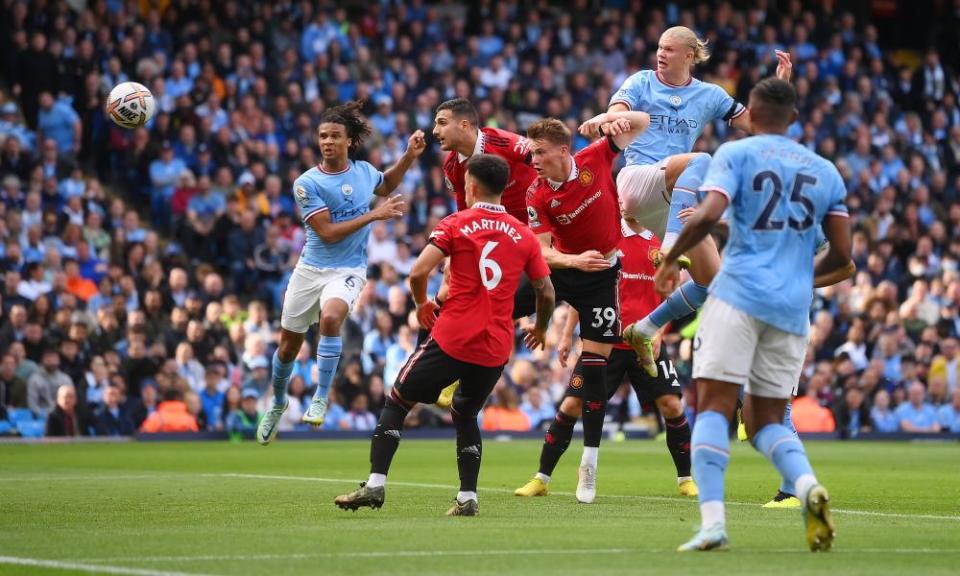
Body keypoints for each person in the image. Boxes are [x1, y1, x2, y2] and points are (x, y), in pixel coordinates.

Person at [654, 78, 850, 552]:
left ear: (751, 116)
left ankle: (713, 524)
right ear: (795, 119)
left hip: (738, 296)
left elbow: (705, 214)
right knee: (766, 422)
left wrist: (668, 259)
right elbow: (844, 256)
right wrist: (799, 278)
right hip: (790, 309)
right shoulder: (825, 172)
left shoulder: (735, 156)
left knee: (715, 408)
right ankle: (807, 489)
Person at [333, 154, 555, 517]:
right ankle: (468, 497)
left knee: (398, 401)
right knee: (465, 413)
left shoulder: (456, 223)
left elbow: (419, 271)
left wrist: (422, 303)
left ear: (471, 185)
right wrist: (542, 327)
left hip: (453, 337)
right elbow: (545, 291)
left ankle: (374, 486)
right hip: (495, 347)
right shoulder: (524, 236)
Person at [598, 26, 791, 377]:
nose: (661, 54)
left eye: (670, 49)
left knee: (710, 283)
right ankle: (671, 248)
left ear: (689, 55)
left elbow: (759, 126)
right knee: (701, 160)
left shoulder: (708, 95)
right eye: (659, 47)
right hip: (637, 180)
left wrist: (778, 91)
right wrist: (615, 117)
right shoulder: (642, 81)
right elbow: (617, 107)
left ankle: (644, 329)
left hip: (672, 196)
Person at [256, 102, 425, 444]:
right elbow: (328, 232)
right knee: (288, 348)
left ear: (349, 141)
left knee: (331, 319)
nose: (328, 141)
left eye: (335, 135)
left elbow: (385, 183)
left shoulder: (363, 171)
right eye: (323, 136)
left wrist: (408, 156)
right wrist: (373, 216)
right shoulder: (307, 183)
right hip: (310, 269)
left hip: (348, 269)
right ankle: (277, 402)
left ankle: (320, 396)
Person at [514, 110, 650, 504]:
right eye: (531, 153)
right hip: (563, 270)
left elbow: (642, 121)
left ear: (562, 150)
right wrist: (573, 261)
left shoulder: (596, 156)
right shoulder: (535, 193)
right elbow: (540, 252)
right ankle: (454, 370)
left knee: (594, 377)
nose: (533, 160)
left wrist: (608, 117)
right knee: (498, 301)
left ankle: (588, 465)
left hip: (602, 277)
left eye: (539, 152)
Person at [514, 213, 696, 498]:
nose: (624, 202)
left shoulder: (661, 240)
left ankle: (686, 479)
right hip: (604, 340)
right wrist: (566, 334)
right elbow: (586, 291)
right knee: (571, 405)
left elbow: (670, 291)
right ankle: (541, 478)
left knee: (672, 405)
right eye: (620, 196)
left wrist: (659, 329)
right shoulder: (605, 241)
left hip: (644, 340)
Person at [428, 98, 539, 408]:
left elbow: (543, 161)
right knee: (451, 294)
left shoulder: (503, 142)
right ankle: (449, 369)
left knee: (497, 304)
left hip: (533, 234)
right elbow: (467, 213)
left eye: (441, 122)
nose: (434, 130)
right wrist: (452, 257)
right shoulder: (452, 167)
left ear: (464, 125)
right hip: (496, 237)